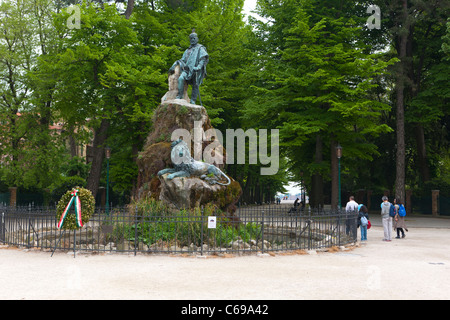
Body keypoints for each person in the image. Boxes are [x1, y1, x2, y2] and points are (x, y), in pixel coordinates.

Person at [168, 29, 209, 105]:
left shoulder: (200, 48)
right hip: (186, 69)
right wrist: (174, 65)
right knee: (180, 78)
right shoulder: (187, 50)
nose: (192, 40)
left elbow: (203, 58)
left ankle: (193, 100)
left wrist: (198, 67)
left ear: (197, 39)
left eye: (194, 38)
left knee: (195, 84)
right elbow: (182, 60)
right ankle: (179, 95)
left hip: (195, 70)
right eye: (191, 39)